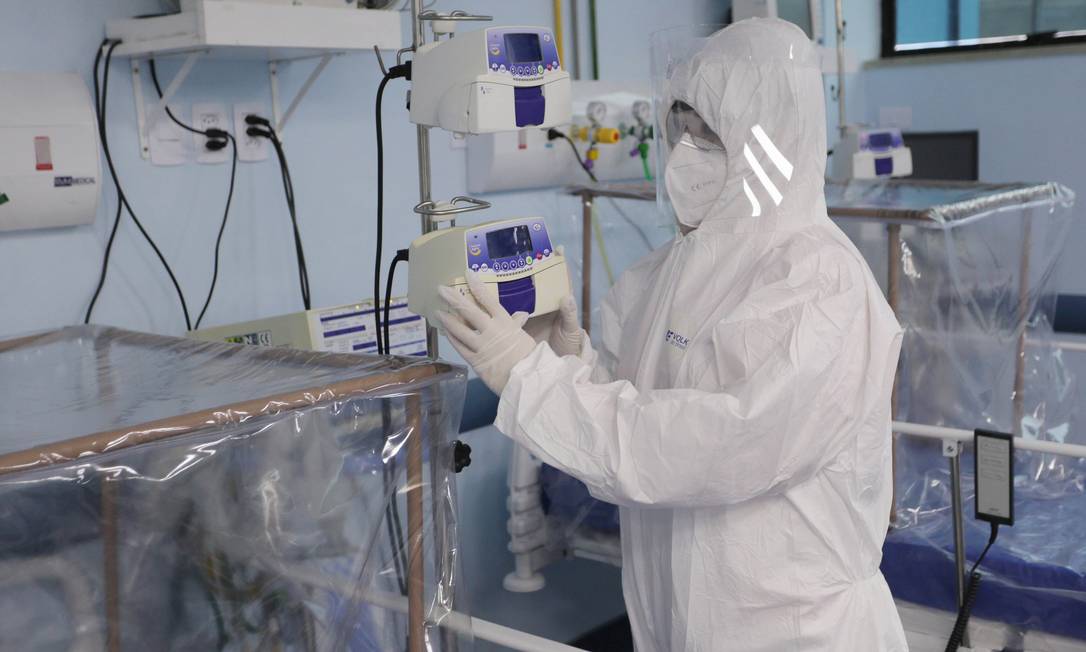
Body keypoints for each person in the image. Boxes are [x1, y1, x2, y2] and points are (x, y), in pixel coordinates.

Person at [437, 17, 907, 652]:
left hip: (797, 632)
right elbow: (634, 420)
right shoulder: (662, 274)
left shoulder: (821, 285)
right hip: (677, 622)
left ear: (772, 141)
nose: (688, 151)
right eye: (682, 129)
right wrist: (568, 360)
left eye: (710, 135)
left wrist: (532, 380)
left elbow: (708, 449)